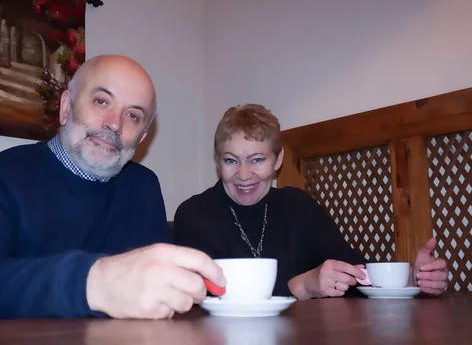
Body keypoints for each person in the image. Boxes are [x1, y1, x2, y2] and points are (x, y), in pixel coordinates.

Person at [0, 55, 225, 323]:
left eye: (133, 116)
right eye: (101, 101)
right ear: (66, 107)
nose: (114, 124)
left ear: (143, 137)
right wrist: (95, 282)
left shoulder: (143, 187)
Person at [173, 104, 449, 299]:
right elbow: (208, 296)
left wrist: (411, 280)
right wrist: (301, 286)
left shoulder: (299, 206)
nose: (244, 175)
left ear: (278, 160)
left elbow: (353, 272)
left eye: (257, 159)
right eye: (231, 160)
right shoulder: (194, 215)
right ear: (218, 161)